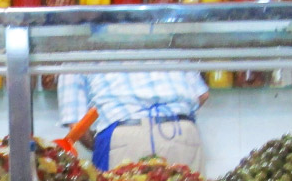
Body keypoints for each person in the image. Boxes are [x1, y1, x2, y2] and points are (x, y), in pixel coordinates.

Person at [58, 72, 210, 171]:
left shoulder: (77, 48)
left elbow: (77, 126)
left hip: (124, 134)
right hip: (182, 131)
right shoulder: (163, 33)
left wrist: (97, 144)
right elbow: (202, 95)